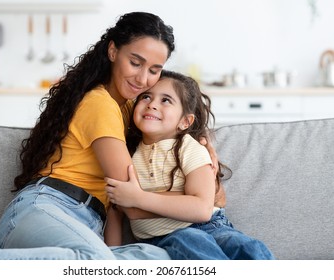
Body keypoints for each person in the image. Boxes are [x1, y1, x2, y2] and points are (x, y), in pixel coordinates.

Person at [0, 11, 176, 260]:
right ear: (113, 52)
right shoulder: (100, 103)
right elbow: (131, 202)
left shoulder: (132, 108)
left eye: (154, 70)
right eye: (135, 62)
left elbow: (179, 130)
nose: (143, 79)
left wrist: (203, 146)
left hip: (84, 224)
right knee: (96, 261)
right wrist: (198, 205)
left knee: (160, 258)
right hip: (46, 208)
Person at [104, 70, 275, 260]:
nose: (152, 104)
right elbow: (115, 211)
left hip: (212, 227)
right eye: (145, 97)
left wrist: (138, 198)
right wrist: (110, 259)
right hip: (162, 238)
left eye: (166, 100)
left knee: (248, 246)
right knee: (191, 239)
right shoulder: (127, 156)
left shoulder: (190, 148)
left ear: (185, 121)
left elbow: (201, 209)